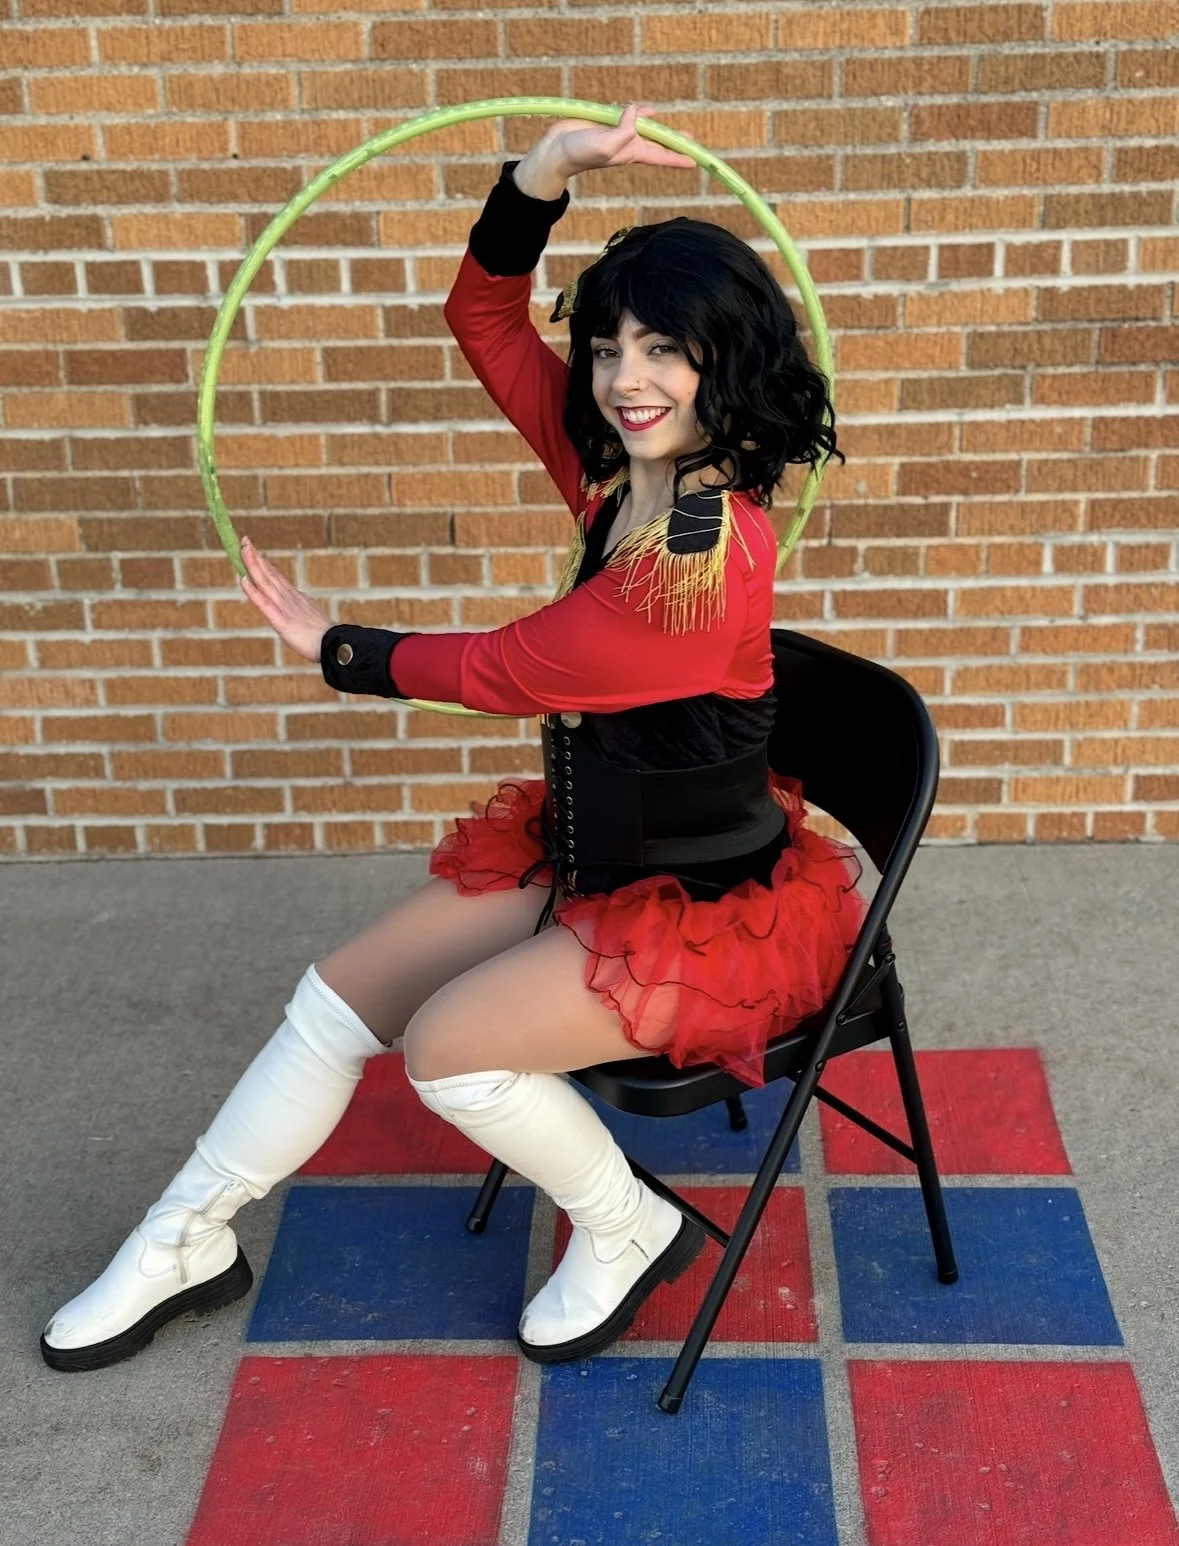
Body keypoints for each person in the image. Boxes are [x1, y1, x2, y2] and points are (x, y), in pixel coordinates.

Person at [40, 104, 866, 1375]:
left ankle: (629, 1223)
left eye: (666, 352)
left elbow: (506, 668)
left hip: (700, 905)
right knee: (334, 1001)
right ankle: (184, 1239)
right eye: (608, 348)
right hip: (595, 846)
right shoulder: (618, 472)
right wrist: (543, 172)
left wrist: (337, 646)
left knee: (446, 1052)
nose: (626, 379)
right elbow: (484, 319)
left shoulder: (699, 558)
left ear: (729, 365)